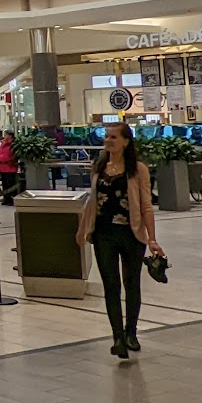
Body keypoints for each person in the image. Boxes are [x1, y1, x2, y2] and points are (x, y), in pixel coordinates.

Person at [76, 122, 162, 363]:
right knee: (111, 285)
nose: (108, 141)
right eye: (107, 137)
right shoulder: (99, 166)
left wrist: (152, 239)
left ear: (125, 141)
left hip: (131, 233)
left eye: (113, 137)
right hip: (103, 233)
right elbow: (92, 201)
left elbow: (146, 205)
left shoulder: (138, 170)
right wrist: (82, 228)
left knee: (131, 283)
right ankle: (117, 337)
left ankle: (131, 332)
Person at [0, 129, 20, 203]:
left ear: (10, 136)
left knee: (10, 184)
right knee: (5, 184)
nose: (4, 136)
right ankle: (6, 198)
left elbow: (8, 156)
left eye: (6, 134)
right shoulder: (2, 143)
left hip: (10, 167)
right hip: (2, 167)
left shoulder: (13, 145)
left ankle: (11, 199)